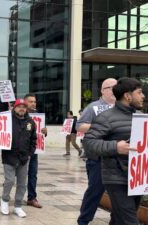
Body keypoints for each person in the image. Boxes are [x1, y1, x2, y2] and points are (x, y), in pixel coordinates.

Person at [83, 77, 144, 225]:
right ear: (128, 96)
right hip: (116, 178)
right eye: (139, 92)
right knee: (130, 221)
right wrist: (115, 147)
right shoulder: (106, 118)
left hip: (136, 179)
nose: (143, 96)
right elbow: (89, 142)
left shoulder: (140, 117)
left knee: (119, 220)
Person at [77, 78, 117, 225]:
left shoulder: (121, 107)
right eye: (110, 87)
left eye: (116, 87)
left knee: (117, 194)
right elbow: (79, 126)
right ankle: (84, 221)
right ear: (102, 90)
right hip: (97, 158)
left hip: (117, 157)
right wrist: (100, 126)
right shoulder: (93, 107)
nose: (114, 89)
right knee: (95, 191)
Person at [0, 99, 37, 218]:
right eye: (19, 106)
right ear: (14, 108)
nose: (22, 108)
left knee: (22, 184)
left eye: (24, 106)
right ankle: (5, 200)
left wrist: (30, 153)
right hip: (9, 156)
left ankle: (17, 206)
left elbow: (33, 139)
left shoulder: (30, 122)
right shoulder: (6, 120)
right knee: (9, 180)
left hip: (23, 158)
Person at [24, 93, 47, 208]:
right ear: (25, 102)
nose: (33, 103)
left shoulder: (39, 116)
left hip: (34, 150)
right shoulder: (19, 114)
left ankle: (32, 198)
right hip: (21, 151)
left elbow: (42, 134)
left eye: (34, 101)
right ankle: (11, 197)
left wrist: (45, 131)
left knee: (33, 174)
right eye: (31, 101)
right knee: (17, 175)